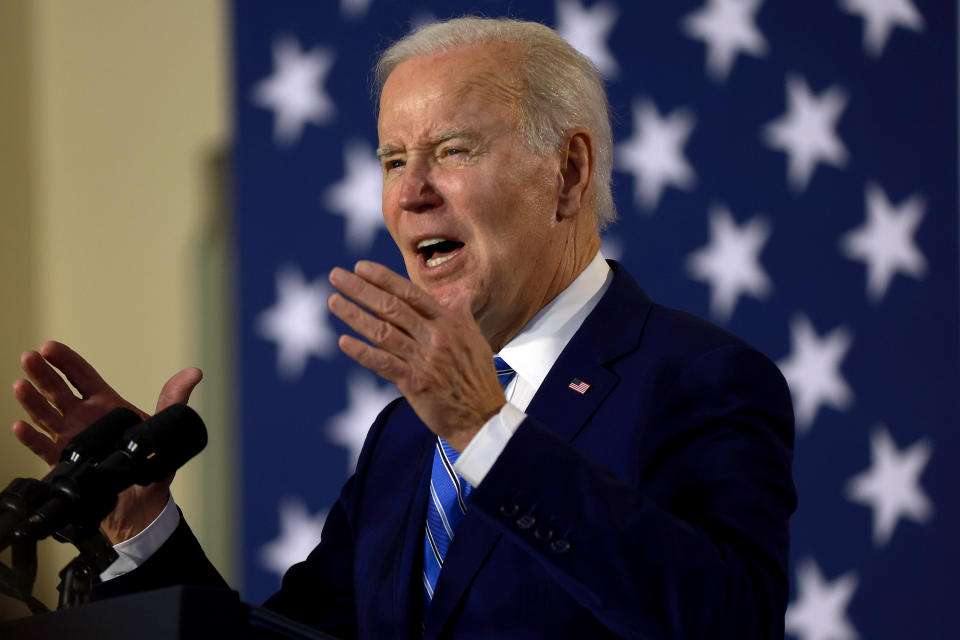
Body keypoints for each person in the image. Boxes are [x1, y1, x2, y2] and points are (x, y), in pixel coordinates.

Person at [11, 17, 796, 639]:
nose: (412, 192)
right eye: (392, 160)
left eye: (452, 150)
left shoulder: (699, 379)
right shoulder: (403, 437)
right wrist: (141, 526)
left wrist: (487, 433)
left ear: (569, 172)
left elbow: (727, 621)